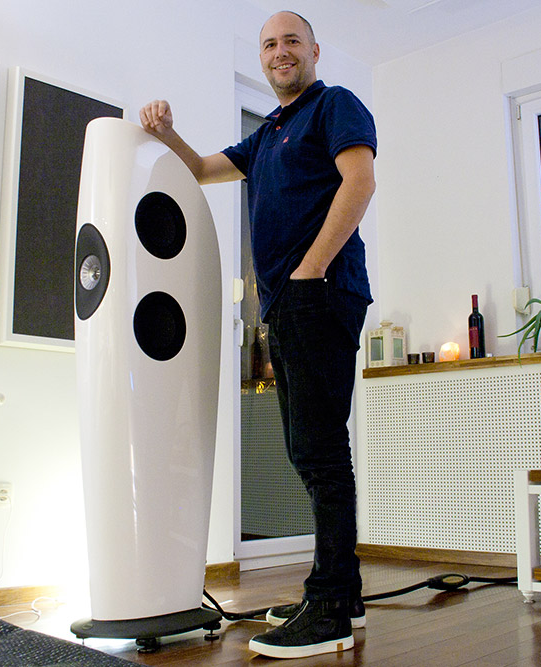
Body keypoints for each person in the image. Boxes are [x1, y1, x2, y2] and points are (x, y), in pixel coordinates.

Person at [140, 10, 376, 660]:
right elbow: (200, 168)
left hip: (319, 293)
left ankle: (329, 606)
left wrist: (310, 271)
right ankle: (345, 593)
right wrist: (165, 130)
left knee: (319, 451)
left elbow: (360, 181)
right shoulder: (269, 131)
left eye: (291, 41)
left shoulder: (334, 105)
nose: (279, 52)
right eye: (269, 44)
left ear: (314, 50)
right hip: (289, 303)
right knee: (310, 449)